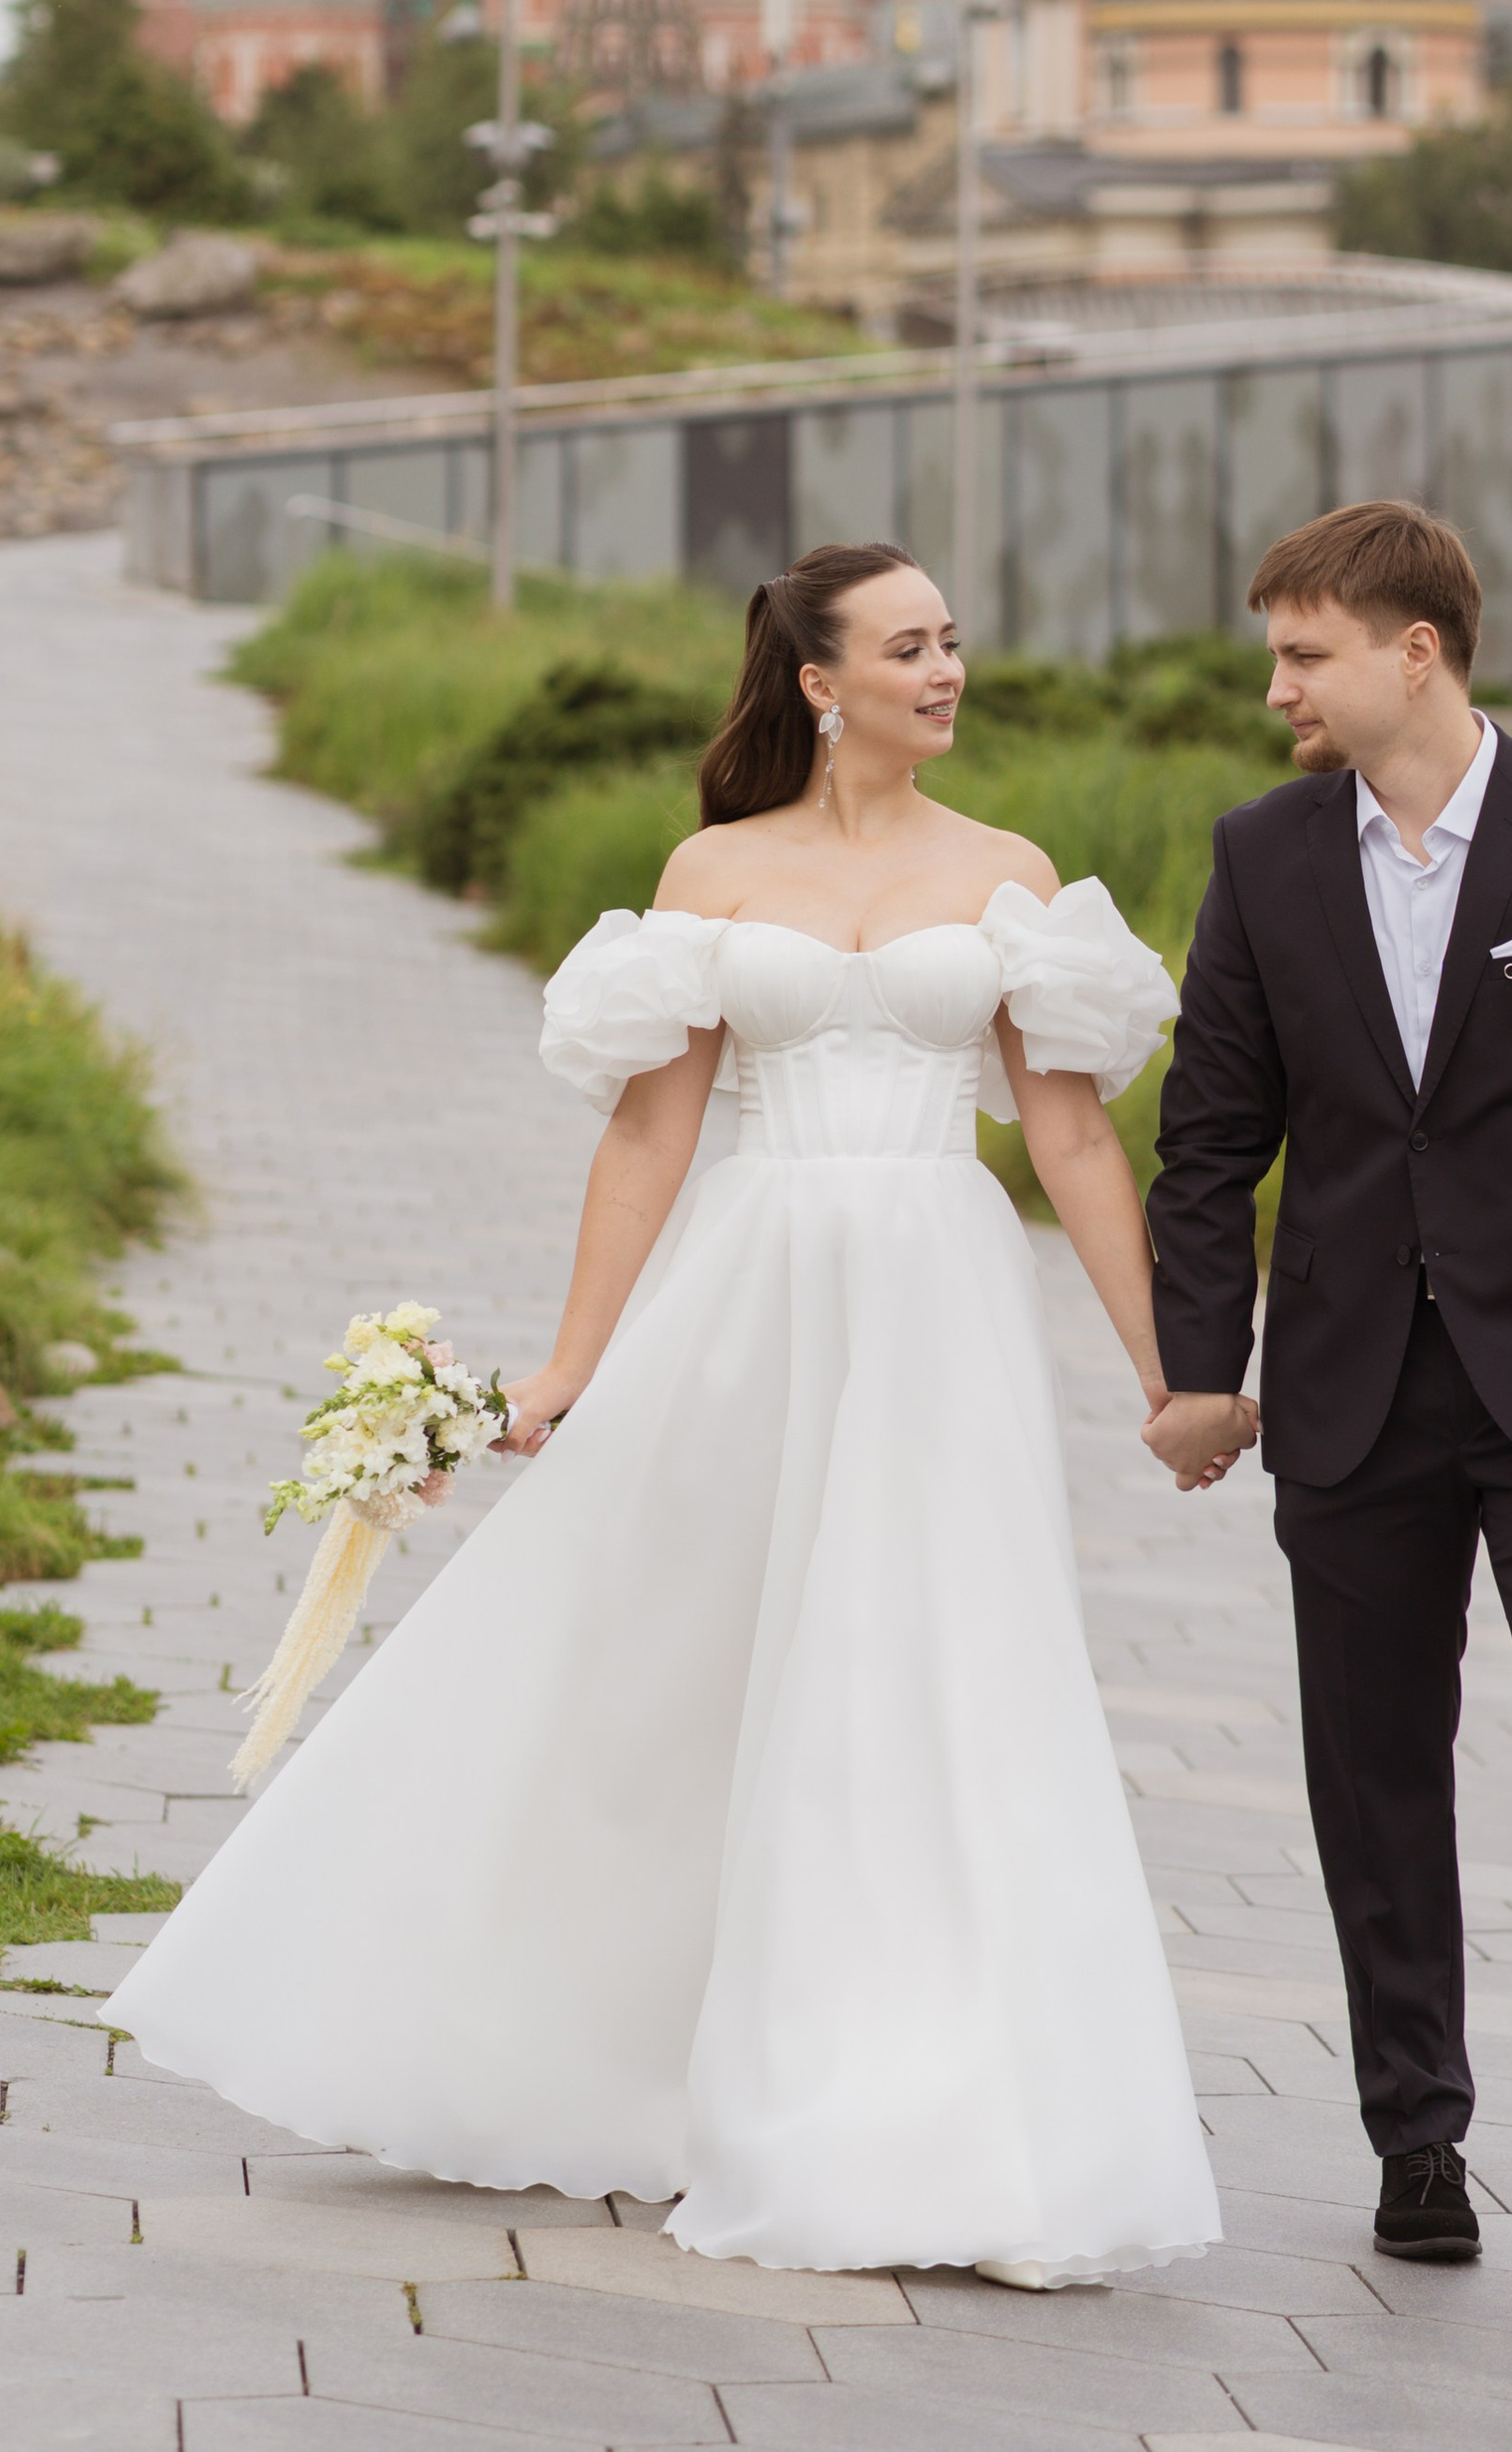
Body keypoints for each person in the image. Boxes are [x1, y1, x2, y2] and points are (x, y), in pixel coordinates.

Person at [104, 541, 1218, 2290]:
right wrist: (566, 1368)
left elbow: (1070, 1136)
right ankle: (583, 2038)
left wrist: (1167, 1365)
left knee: (931, 1668)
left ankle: (928, 2104)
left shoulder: (1011, 874)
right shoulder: (713, 868)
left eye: (954, 642)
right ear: (818, 680)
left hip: (935, 1298)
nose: (949, 669)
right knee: (663, 1658)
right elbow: (648, 1135)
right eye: (910, 646)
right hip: (747, 1292)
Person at [1141, 499, 1512, 2305]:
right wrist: (1197, 1367)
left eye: (1304, 654)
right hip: (1350, 1399)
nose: (1275, 690)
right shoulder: (1265, 856)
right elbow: (1213, 1137)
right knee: (1374, 1777)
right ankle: (1417, 2134)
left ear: (1418, 651)